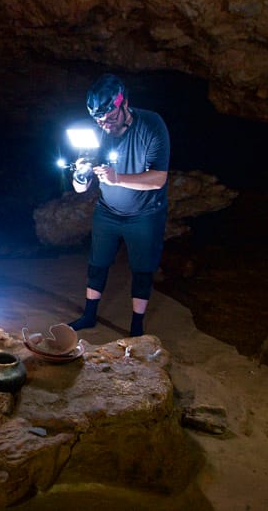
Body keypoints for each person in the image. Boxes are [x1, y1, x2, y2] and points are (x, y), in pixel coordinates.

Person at [68, 74, 170, 337]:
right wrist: (80, 176)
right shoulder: (97, 133)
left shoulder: (151, 125)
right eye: (99, 120)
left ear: (124, 104)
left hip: (145, 212)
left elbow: (158, 179)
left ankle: (136, 325)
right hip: (108, 211)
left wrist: (118, 179)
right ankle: (89, 315)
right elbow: (81, 188)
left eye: (110, 118)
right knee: (98, 262)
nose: (105, 125)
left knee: (142, 268)